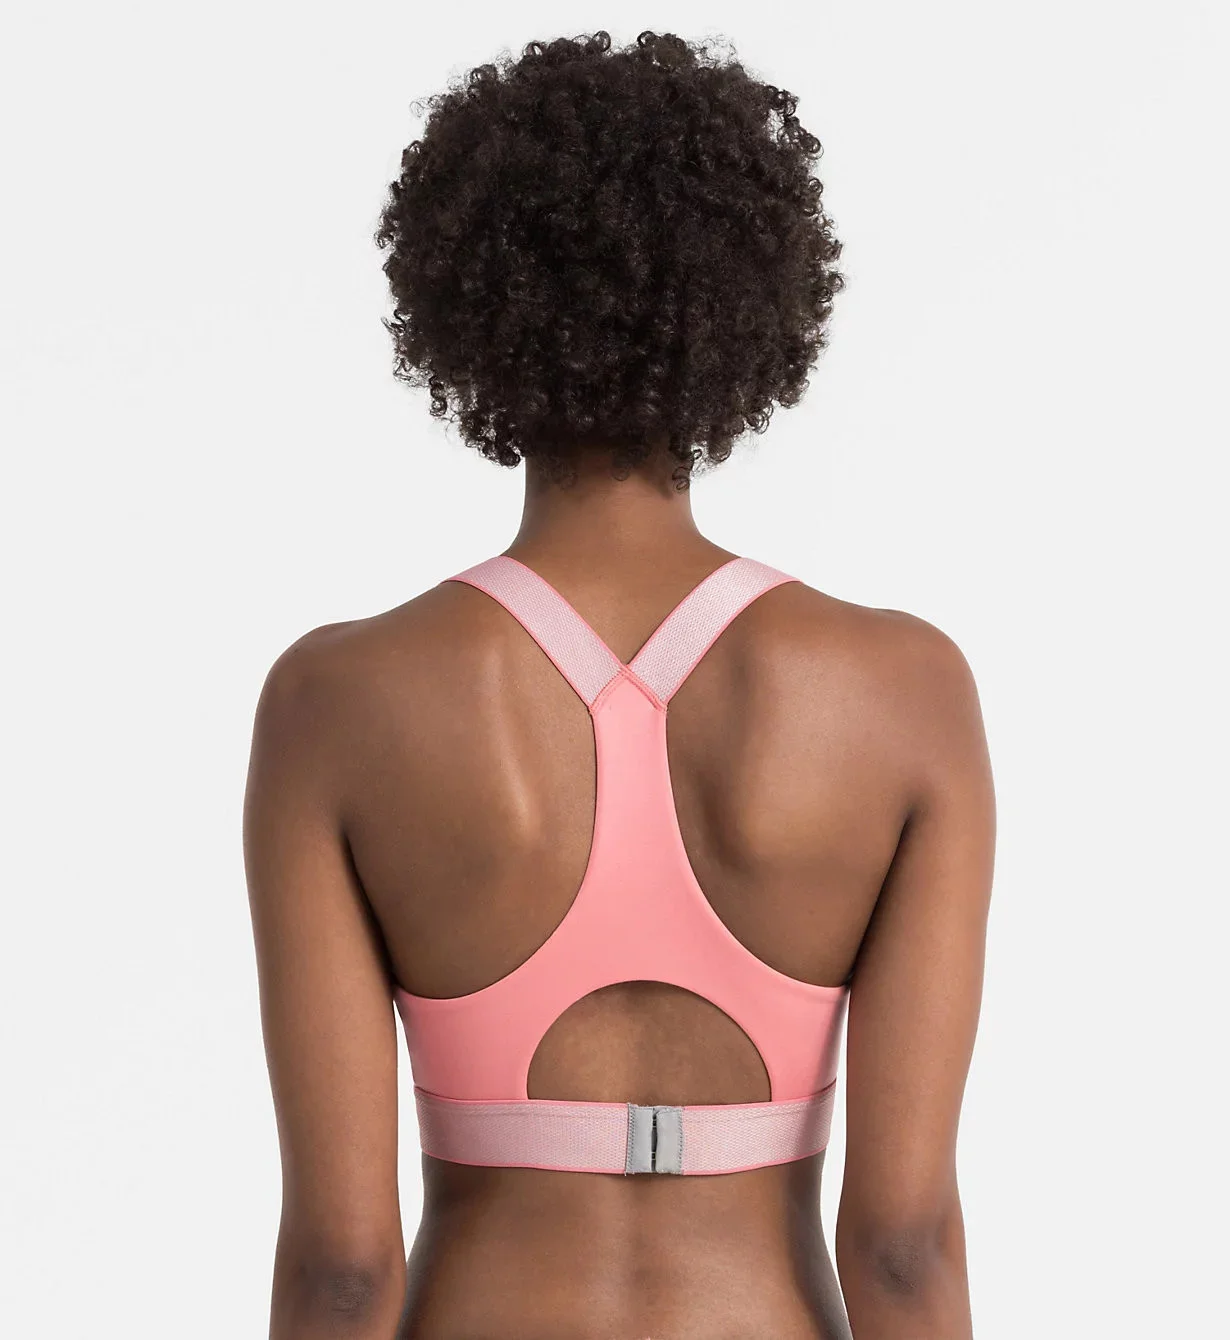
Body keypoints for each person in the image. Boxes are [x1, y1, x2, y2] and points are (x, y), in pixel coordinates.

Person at [244, 31, 995, 1340]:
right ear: (746, 304)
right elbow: (899, 1245)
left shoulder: (338, 701)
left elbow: (343, 1271)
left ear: (470, 300)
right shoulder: (903, 693)